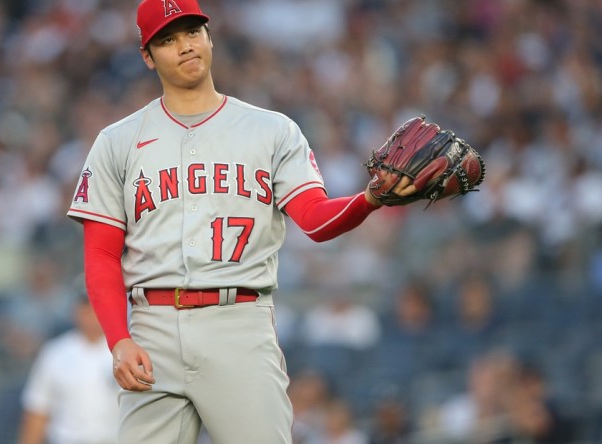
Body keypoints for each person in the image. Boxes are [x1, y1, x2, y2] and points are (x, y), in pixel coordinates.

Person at [66, 1, 418, 442]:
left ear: (209, 36)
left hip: (239, 323)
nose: (185, 46)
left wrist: (370, 199)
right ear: (147, 56)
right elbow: (100, 254)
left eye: (192, 32)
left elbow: (315, 219)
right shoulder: (117, 142)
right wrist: (118, 339)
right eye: (167, 40)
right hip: (150, 329)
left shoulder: (272, 130)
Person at [18, 291, 118, 444]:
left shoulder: (123, 350)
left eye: (96, 308)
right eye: (86, 309)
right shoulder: (55, 353)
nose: (91, 315)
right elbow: (38, 410)